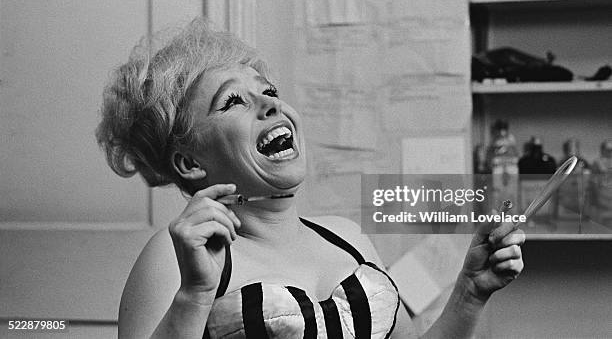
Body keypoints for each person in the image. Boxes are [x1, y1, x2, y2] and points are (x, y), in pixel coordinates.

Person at [96, 18, 525, 338]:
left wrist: (470, 293)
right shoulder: (173, 258)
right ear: (189, 162)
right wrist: (193, 296)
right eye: (232, 102)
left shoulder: (349, 238)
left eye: (270, 92)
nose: (270, 106)